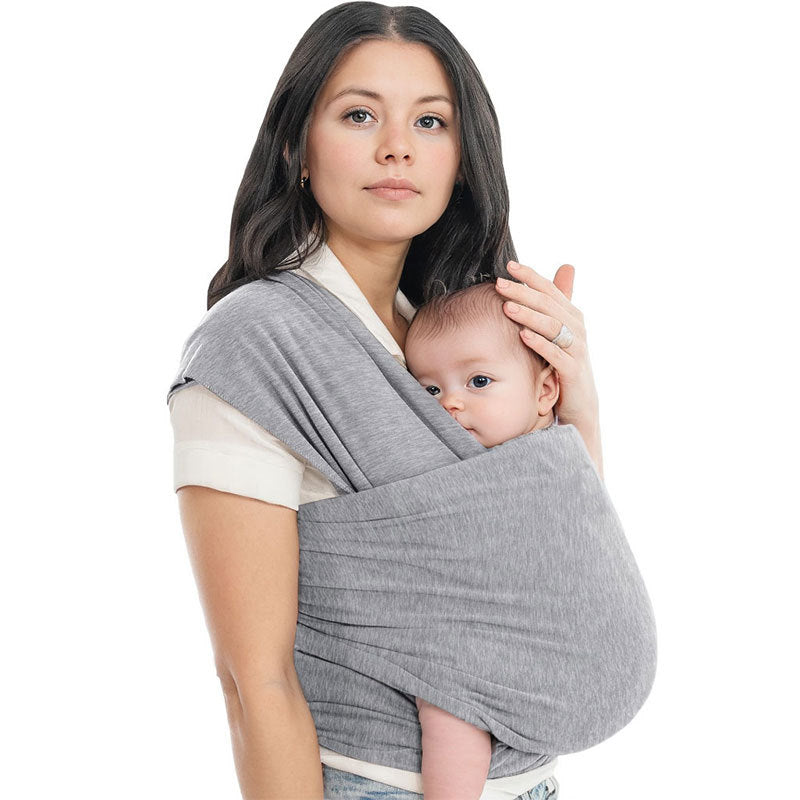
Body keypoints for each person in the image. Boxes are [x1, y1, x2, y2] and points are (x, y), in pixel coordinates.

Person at [169, 3, 601, 798]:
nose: (398, 146)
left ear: (463, 159)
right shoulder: (255, 346)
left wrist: (576, 402)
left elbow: (555, 567)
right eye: (360, 114)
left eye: (431, 122)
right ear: (298, 147)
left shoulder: (452, 340)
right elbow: (253, 682)